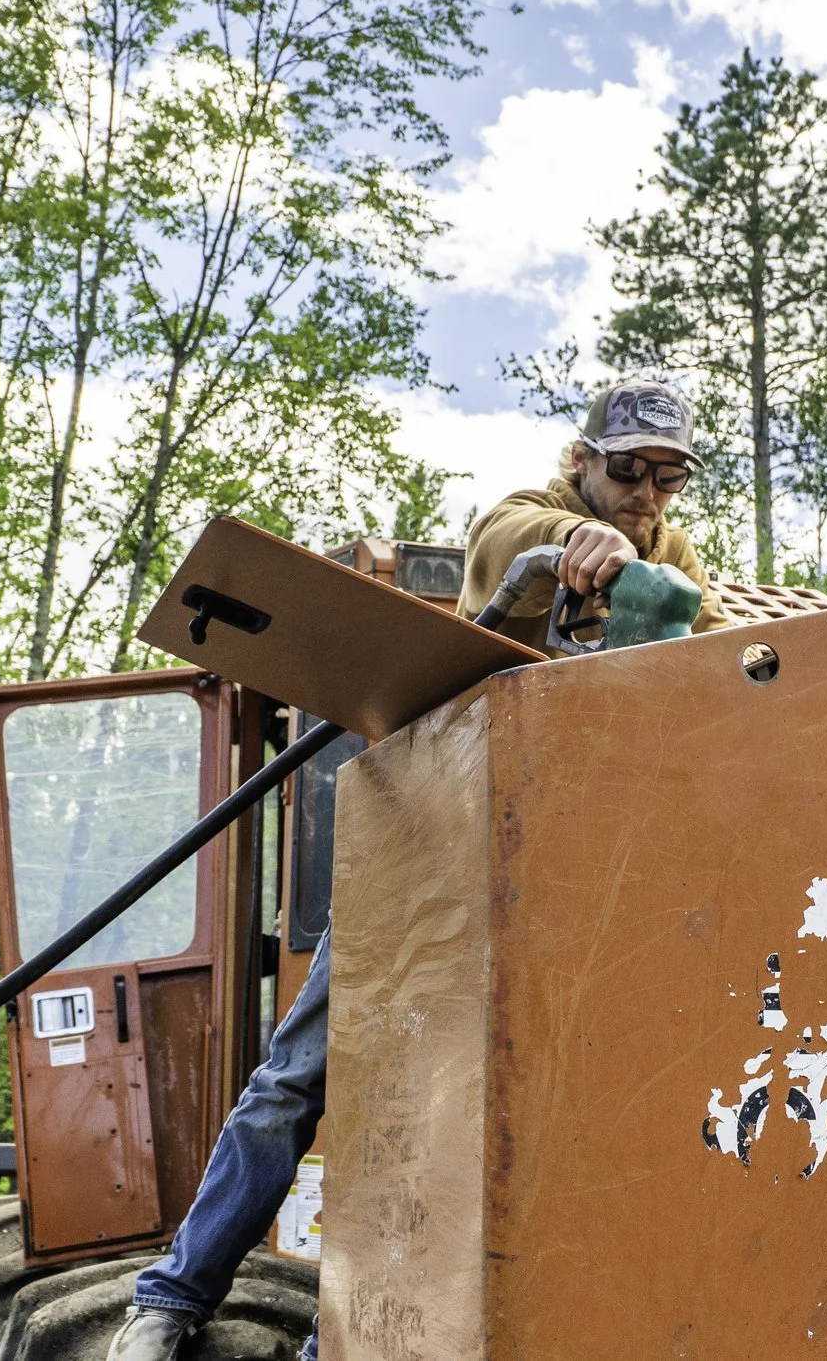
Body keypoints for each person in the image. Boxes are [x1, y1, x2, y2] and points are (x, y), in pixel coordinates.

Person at [107, 380, 724, 1361]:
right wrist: (563, 557)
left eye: (667, 476)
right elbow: (506, 543)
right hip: (427, 849)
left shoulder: (673, 553)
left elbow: (714, 648)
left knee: (477, 1115)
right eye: (627, 470)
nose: (646, 492)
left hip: (552, 878)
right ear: (581, 460)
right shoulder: (525, 517)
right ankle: (171, 1295)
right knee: (301, 1081)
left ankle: (350, 1338)